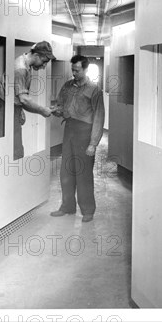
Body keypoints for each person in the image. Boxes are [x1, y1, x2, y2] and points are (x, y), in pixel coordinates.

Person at [50, 54, 105, 222]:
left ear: (86, 69)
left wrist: (93, 143)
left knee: (84, 173)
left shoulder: (94, 89)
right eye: (72, 70)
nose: (74, 73)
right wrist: (56, 109)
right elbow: (60, 104)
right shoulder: (67, 86)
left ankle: (88, 210)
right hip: (69, 130)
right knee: (66, 170)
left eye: (77, 70)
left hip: (85, 132)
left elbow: (99, 117)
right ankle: (67, 206)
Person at [0, 41, 55, 159]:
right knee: (8, 154)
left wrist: (19, 109)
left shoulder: (25, 64)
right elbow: (24, 99)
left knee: (16, 152)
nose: (44, 66)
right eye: (44, 61)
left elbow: (18, 97)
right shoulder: (21, 69)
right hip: (2, 112)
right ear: (36, 55)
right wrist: (42, 110)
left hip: (9, 109)